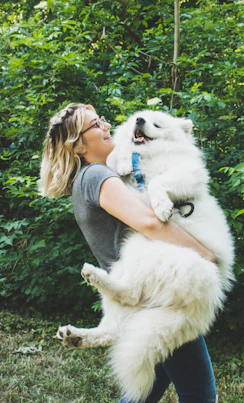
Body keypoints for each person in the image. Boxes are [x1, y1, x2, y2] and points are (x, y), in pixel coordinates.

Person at [40, 102, 217, 403]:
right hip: (155, 295)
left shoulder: (96, 176)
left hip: (145, 292)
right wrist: (205, 255)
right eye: (96, 125)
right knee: (200, 394)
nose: (106, 126)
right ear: (79, 145)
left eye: (103, 120)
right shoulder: (97, 175)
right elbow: (150, 223)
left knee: (147, 389)